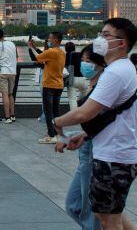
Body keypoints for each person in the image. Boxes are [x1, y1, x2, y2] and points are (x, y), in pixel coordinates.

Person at [51, 18, 137, 230]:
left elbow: (85, 113)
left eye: (106, 35)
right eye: (101, 33)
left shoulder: (116, 72)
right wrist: (86, 136)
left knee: (107, 220)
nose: (100, 39)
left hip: (114, 157)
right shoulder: (123, 68)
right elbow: (115, 115)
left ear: (122, 43)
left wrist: (57, 122)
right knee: (112, 215)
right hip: (117, 153)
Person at [60, 44, 104, 230]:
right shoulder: (94, 88)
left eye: (89, 61)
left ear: (102, 64)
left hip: (96, 156)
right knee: (74, 205)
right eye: (83, 61)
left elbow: (87, 118)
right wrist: (80, 135)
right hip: (86, 154)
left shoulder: (104, 90)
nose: (85, 65)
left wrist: (58, 123)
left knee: (92, 211)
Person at [29, 31, 67, 144]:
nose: (48, 40)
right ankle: (57, 134)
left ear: (55, 40)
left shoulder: (51, 52)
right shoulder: (61, 52)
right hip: (59, 85)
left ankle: (51, 135)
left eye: (50, 38)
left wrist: (30, 48)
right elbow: (44, 56)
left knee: (48, 111)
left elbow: (36, 59)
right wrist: (35, 48)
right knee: (55, 111)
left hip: (49, 85)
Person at [0, 28, 17, 123]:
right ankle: (12, 115)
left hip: (3, 72)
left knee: (5, 95)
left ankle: (7, 117)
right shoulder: (12, 44)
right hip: (12, 72)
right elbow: (15, 56)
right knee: (11, 94)